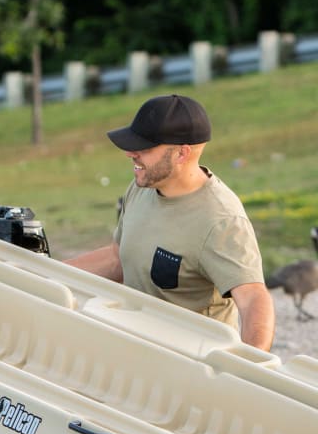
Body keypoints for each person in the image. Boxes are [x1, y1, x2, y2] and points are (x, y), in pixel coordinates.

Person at [65, 94, 274, 350]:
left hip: (189, 368)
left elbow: (253, 298)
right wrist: (44, 274)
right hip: (134, 350)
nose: (131, 154)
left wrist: (249, 371)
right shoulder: (143, 187)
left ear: (182, 153)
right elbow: (117, 259)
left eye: (145, 147)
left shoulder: (221, 221)